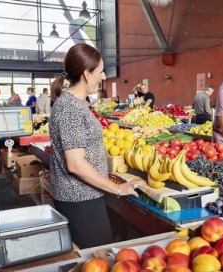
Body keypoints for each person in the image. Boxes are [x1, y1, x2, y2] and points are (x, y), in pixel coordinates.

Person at [49, 43, 143, 249]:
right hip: (80, 198)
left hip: (85, 196)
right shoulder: (69, 108)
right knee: (97, 257)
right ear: (86, 74)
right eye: (100, 72)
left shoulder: (75, 103)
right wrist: (117, 189)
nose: (103, 77)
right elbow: (75, 164)